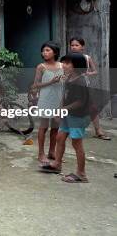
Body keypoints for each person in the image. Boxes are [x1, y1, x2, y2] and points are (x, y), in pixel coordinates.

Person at [40, 53, 91, 183]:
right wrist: (60, 110)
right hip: (68, 114)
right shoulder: (69, 78)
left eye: (68, 63)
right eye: (64, 62)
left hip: (78, 116)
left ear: (77, 66)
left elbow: (80, 102)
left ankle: (81, 174)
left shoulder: (80, 81)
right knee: (60, 137)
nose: (64, 65)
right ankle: (57, 164)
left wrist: (63, 109)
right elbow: (64, 96)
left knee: (76, 143)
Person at [69, 37, 109, 141]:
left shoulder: (87, 58)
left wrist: (88, 73)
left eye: (76, 45)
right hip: (70, 86)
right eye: (72, 45)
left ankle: (98, 130)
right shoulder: (68, 58)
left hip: (84, 86)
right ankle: (63, 129)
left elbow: (95, 71)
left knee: (93, 108)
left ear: (82, 47)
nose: (74, 47)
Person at [31, 41, 64, 165]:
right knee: (43, 127)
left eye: (47, 50)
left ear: (55, 52)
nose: (44, 53)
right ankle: (41, 153)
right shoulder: (41, 67)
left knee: (55, 128)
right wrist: (51, 82)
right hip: (45, 99)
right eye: (43, 50)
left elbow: (66, 82)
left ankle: (52, 152)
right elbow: (36, 85)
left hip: (58, 100)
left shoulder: (62, 66)